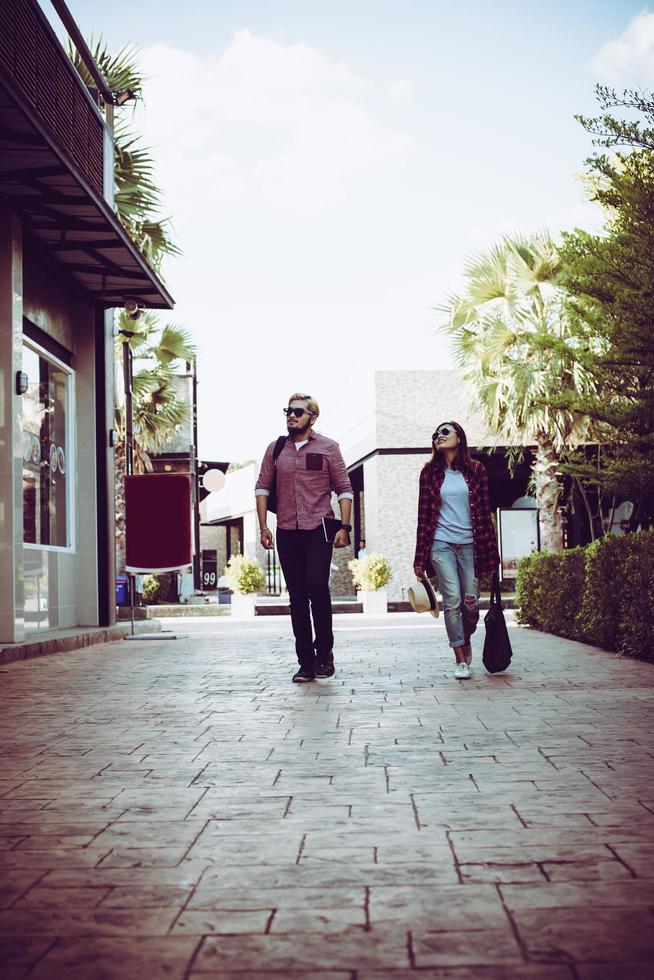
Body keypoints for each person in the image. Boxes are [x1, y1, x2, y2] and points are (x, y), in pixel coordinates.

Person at [256, 393, 353, 683]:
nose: (292, 415)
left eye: (298, 411)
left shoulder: (328, 448)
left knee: (316, 587)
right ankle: (305, 663)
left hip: (319, 528)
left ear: (313, 416)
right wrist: (263, 526)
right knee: (297, 597)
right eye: (288, 410)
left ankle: (324, 653)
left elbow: (344, 488)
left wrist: (344, 527)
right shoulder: (275, 450)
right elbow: (261, 488)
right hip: (286, 530)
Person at [413, 421, 499, 680]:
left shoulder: (476, 470)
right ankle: (460, 659)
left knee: (471, 604)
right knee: (452, 601)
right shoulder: (429, 473)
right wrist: (419, 557)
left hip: (471, 544)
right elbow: (423, 516)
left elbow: (484, 513)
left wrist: (492, 554)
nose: (439, 436)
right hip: (441, 544)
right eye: (436, 433)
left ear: (459, 438)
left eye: (445, 432)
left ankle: (465, 637)